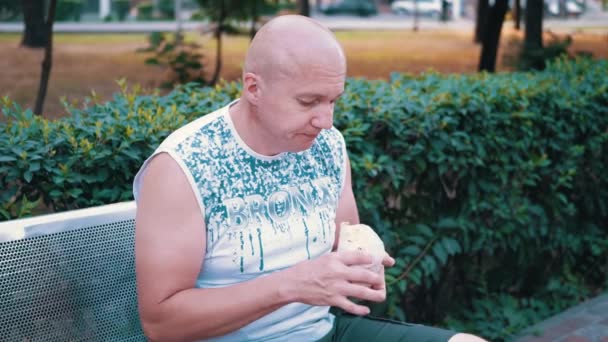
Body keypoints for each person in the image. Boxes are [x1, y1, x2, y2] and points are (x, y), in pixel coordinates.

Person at [133, 14, 487, 342]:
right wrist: (290, 286)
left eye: (333, 101)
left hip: (322, 332)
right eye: (309, 102)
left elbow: (345, 238)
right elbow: (161, 323)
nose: (326, 121)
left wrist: (362, 262)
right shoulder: (184, 166)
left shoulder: (327, 145)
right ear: (253, 89)